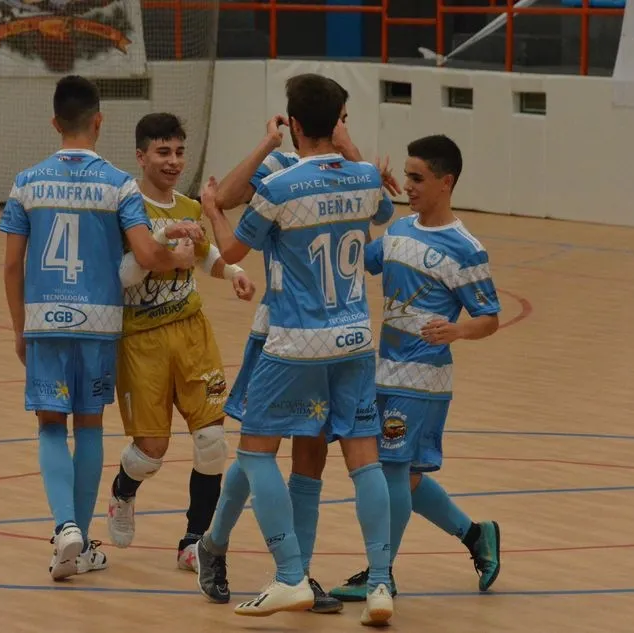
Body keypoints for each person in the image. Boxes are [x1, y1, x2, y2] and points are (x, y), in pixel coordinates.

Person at [195, 73, 397, 626]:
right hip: (355, 339)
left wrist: (212, 208)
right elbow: (385, 213)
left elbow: (233, 247)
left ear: (295, 125)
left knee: (256, 452)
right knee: (362, 456)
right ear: (337, 122)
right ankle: (380, 584)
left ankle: (289, 574)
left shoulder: (283, 187)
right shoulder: (362, 177)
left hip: (294, 341)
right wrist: (349, 151)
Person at [0, 76, 203, 581]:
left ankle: (65, 527)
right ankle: (83, 540)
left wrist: (20, 328)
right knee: (88, 424)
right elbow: (147, 253)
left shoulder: (27, 182)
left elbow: (10, 266)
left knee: (49, 426)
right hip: (100, 323)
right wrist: (175, 249)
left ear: (54, 123)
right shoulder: (118, 183)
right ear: (98, 122)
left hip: (45, 319)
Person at [329, 135, 503, 601]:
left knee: (392, 472)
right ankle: (476, 535)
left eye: (417, 178)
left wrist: (458, 331)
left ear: (446, 183)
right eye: (405, 176)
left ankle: (380, 573)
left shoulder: (466, 248)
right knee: (404, 473)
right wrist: (368, 198)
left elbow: (490, 318)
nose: (408, 185)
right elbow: (357, 259)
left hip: (424, 378)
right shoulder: (400, 231)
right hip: (381, 371)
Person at [105, 112, 256, 571]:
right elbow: (123, 277)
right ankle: (122, 493)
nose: (173, 161)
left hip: (192, 336)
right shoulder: (126, 208)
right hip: (142, 342)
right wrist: (163, 244)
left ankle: (195, 539)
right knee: (151, 451)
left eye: (178, 152)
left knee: (212, 441)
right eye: (163, 152)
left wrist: (233, 272)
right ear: (141, 155)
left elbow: (208, 256)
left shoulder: (190, 208)